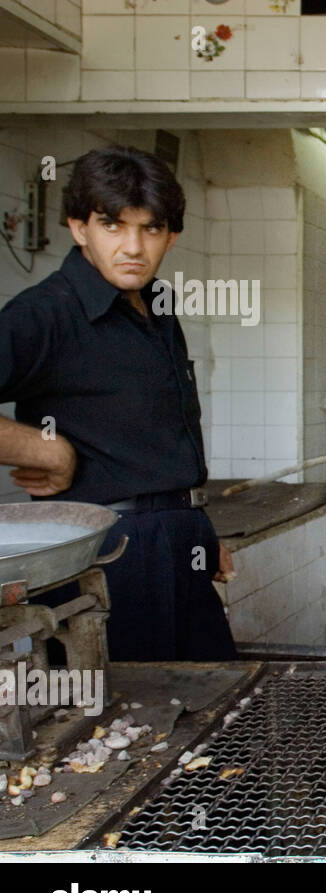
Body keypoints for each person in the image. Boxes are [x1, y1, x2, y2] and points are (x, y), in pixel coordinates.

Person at [0, 145, 235, 661]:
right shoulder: (45, 314)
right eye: (112, 225)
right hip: (107, 553)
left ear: (171, 235)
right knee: (132, 723)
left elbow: (162, 437)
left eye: (150, 229)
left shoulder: (158, 306)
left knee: (215, 703)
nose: (133, 246)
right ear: (79, 227)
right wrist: (44, 450)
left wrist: (195, 524)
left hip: (177, 539)